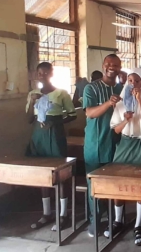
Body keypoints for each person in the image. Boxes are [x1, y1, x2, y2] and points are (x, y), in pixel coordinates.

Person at [107, 68, 141, 245]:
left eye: (137, 81)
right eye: (130, 80)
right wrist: (126, 120)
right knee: (119, 183)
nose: (133, 84)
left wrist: (139, 101)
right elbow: (116, 129)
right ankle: (118, 220)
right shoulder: (122, 99)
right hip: (125, 143)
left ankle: (138, 225)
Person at [26, 62, 77, 231]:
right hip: (38, 137)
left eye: (46, 72)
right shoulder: (33, 94)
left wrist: (55, 123)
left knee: (60, 174)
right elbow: (28, 119)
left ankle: (63, 214)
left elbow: (72, 115)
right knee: (43, 175)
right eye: (40, 73)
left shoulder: (61, 93)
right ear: (37, 75)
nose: (43, 75)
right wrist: (32, 103)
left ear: (51, 74)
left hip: (55, 135)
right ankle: (46, 213)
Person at [82, 54, 123, 237]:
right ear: (103, 66)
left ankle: (116, 220)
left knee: (116, 184)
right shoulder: (91, 88)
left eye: (115, 64)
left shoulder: (122, 87)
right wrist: (108, 103)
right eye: (108, 64)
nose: (111, 67)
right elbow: (90, 113)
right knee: (95, 185)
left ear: (120, 67)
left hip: (117, 143)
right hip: (96, 143)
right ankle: (95, 221)